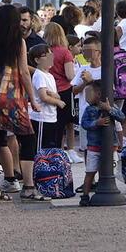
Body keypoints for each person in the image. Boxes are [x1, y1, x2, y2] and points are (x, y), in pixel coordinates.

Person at [0, 4, 40, 203]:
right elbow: (23, 72)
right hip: (12, 97)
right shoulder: (18, 42)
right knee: (28, 138)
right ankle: (29, 186)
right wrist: (33, 98)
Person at [78, 81, 125, 205]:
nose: (86, 96)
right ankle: (85, 195)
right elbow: (84, 124)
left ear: (98, 94)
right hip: (94, 147)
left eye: (89, 93)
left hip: (111, 147)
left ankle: (105, 188)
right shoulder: (89, 110)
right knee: (90, 172)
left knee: (110, 171)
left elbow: (122, 117)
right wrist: (96, 123)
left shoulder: (111, 106)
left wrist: (109, 109)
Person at [42, 23, 76, 157]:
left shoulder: (46, 51)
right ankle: (59, 154)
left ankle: (51, 153)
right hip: (64, 91)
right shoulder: (65, 52)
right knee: (64, 125)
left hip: (49, 89)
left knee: (52, 124)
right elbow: (70, 76)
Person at [28, 44, 66, 159]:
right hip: (41, 118)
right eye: (46, 55)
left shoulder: (49, 75)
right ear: (37, 60)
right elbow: (43, 97)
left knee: (50, 147)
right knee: (40, 150)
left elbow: (53, 94)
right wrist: (57, 102)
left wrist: (56, 96)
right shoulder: (39, 75)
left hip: (51, 117)